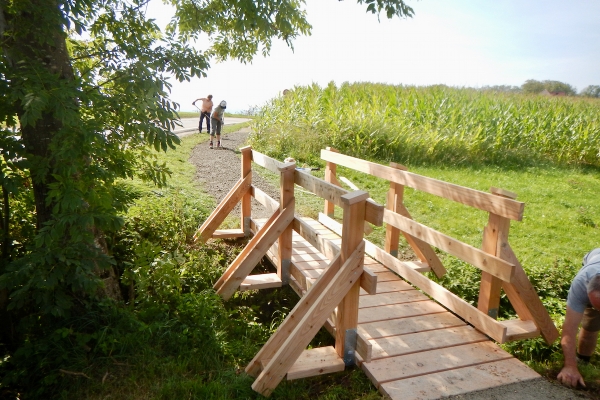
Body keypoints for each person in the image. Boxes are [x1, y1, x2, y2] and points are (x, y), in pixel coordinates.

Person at [558, 248, 600, 388]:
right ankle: (582, 361)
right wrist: (569, 366)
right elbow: (569, 330)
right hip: (595, 258)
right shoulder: (581, 284)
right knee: (591, 322)